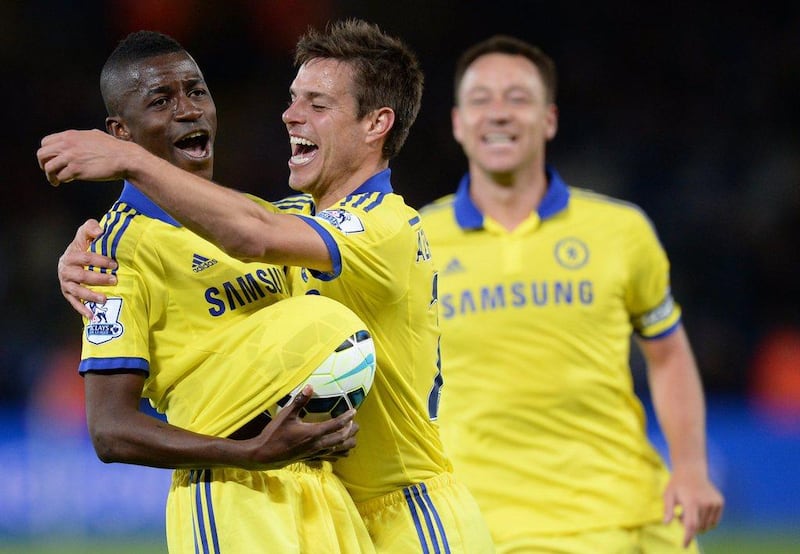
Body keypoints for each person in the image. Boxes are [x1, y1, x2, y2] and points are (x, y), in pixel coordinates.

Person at [40, 19, 494, 553]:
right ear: (123, 128)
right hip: (303, 497)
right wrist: (76, 258)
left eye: (317, 105)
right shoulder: (282, 222)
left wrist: (131, 163)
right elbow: (109, 425)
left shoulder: (379, 224)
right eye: (292, 98)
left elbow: (251, 234)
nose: (290, 115)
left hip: (407, 510)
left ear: (376, 125)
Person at [418, 35, 725, 553]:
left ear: (550, 120)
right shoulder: (413, 241)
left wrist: (691, 469)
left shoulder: (621, 230)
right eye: (480, 100)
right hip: (492, 527)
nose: (499, 114)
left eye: (517, 98)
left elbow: (668, 354)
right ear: (457, 123)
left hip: (635, 517)